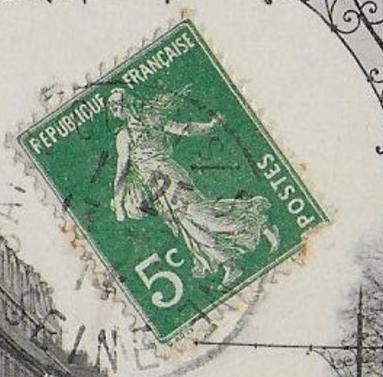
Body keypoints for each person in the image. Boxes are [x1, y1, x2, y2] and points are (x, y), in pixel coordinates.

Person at [107, 87, 278, 288]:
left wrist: (210, 126)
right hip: (157, 189)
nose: (114, 109)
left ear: (127, 104)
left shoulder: (150, 121)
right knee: (190, 229)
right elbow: (123, 168)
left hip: (171, 178)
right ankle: (229, 265)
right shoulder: (124, 135)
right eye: (112, 106)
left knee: (204, 218)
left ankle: (261, 225)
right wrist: (119, 202)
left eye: (117, 104)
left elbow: (184, 129)